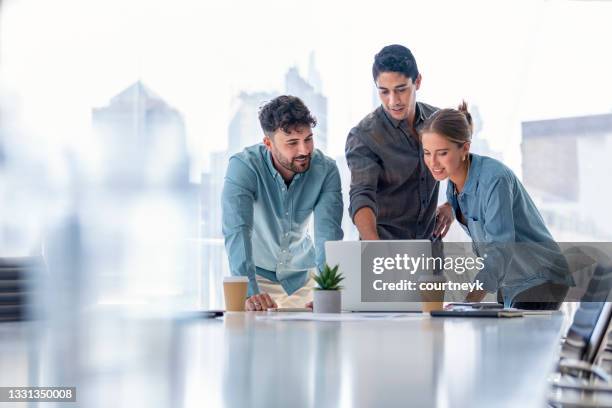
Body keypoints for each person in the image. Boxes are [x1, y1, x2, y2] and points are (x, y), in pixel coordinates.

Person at [420, 102, 573, 310]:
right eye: (427, 152)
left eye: (442, 153)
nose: (433, 162)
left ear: (465, 148)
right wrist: (450, 207)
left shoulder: (495, 180)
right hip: (511, 280)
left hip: (539, 276)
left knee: (514, 340)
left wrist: (467, 303)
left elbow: (500, 249)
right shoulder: (453, 184)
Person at [222, 95, 344, 311]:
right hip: (256, 278)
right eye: (292, 143)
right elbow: (237, 232)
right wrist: (250, 293)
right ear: (268, 143)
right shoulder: (243, 167)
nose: (304, 150)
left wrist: (327, 289)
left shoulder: (326, 170)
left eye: (308, 139)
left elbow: (328, 234)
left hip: (303, 279)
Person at [345, 44, 453, 242]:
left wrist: (452, 205)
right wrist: (373, 245)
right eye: (384, 92)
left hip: (431, 249)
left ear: (418, 81)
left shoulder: (438, 120)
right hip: (383, 248)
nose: (393, 100)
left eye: (401, 89)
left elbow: (463, 165)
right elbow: (361, 195)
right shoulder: (364, 136)